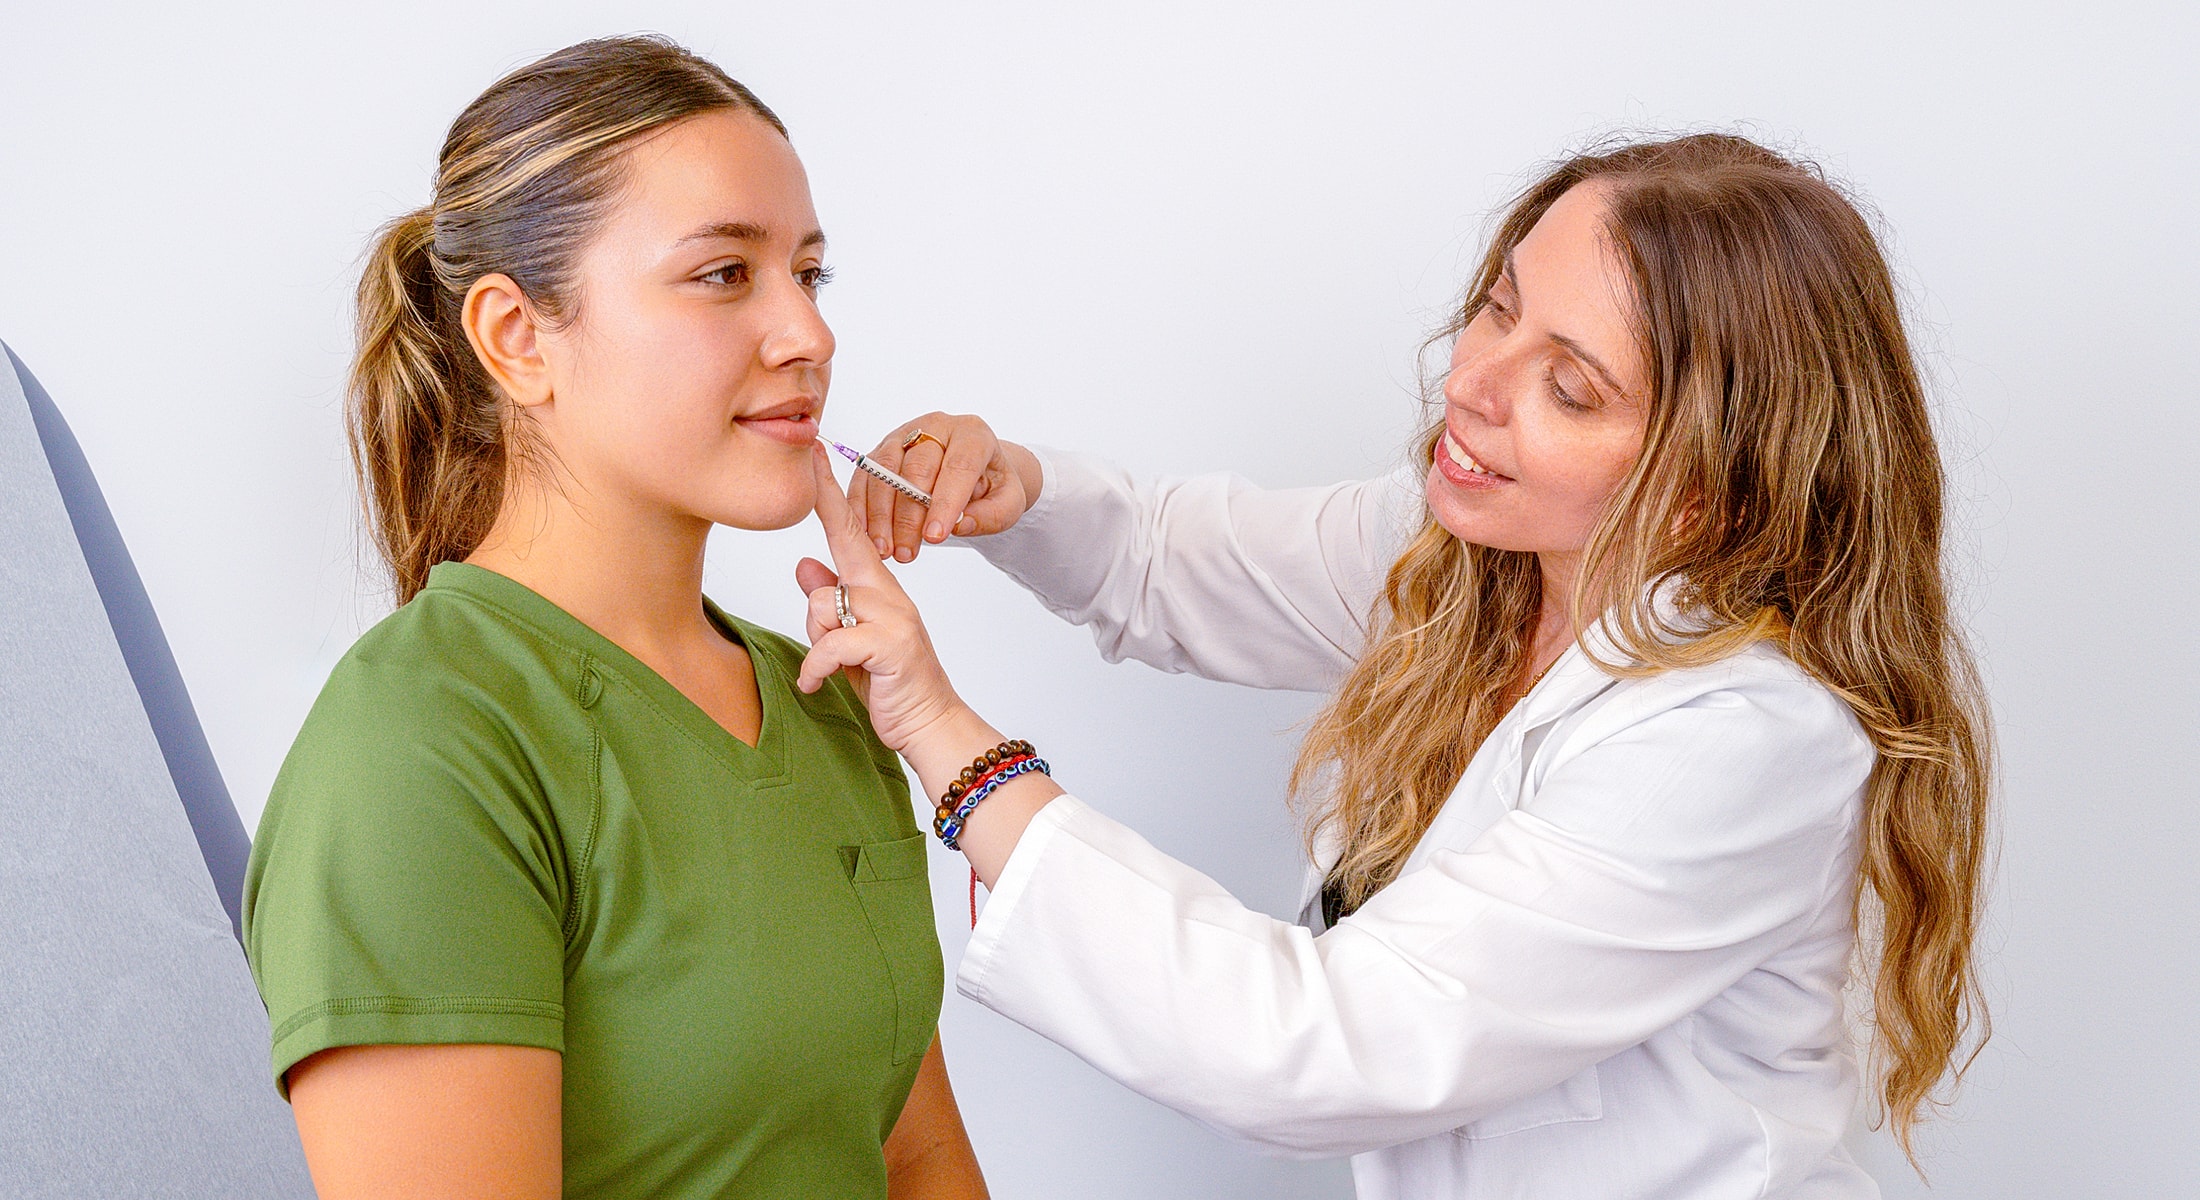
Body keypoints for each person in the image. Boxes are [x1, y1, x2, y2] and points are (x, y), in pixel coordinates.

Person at [793, 133, 1992, 1198]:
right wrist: (1010, 490)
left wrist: (945, 738)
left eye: (1568, 387)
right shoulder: (1476, 561)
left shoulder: (1737, 736)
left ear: (1704, 488)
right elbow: (1173, 559)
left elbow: (1321, 1049)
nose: (1470, 383)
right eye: (1498, 306)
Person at [243, 37, 985, 1200]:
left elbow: (918, 1161)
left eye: (808, 272)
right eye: (723, 274)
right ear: (515, 338)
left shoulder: (828, 704)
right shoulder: (419, 750)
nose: (809, 334)